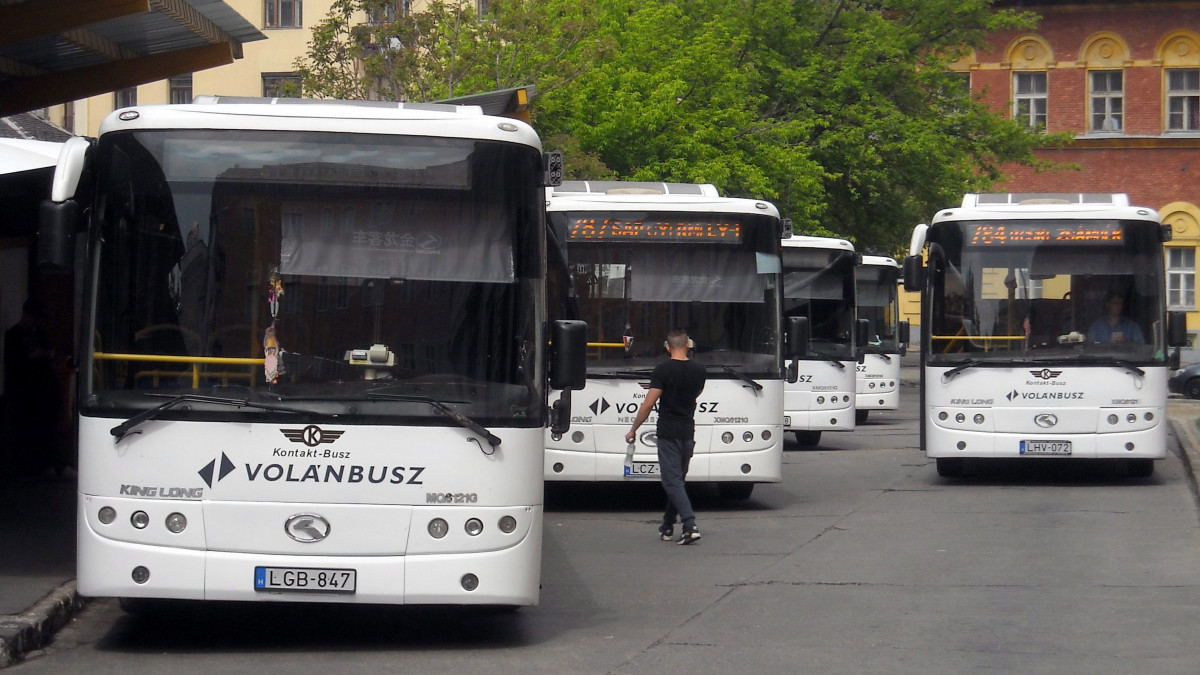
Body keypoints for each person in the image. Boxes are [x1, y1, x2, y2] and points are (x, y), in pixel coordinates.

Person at [625, 329, 706, 545]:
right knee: (677, 480)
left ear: (667, 347)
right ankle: (668, 525)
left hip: (668, 431)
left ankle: (690, 524)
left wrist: (633, 429)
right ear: (688, 345)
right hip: (688, 430)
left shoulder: (662, 370)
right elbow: (695, 395)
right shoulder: (700, 370)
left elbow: (649, 403)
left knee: (671, 481)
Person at [4, 298, 63, 478]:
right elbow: (13, 363)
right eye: (35, 318)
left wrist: (45, 354)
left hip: (44, 387)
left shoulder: (39, 333)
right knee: (29, 429)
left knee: (47, 427)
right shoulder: (13, 335)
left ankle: (50, 464)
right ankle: (34, 466)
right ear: (26, 315)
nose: (37, 323)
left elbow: (50, 351)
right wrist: (33, 357)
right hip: (26, 390)